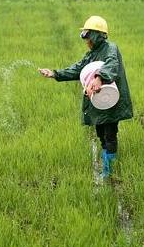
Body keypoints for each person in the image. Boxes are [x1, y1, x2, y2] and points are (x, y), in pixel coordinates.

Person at [39, 16, 133, 179]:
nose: (86, 39)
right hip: (98, 101)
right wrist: (55, 73)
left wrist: (99, 77)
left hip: (111, 99)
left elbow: (112, 64)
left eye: (88, 35)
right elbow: (78, 69)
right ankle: (107, 163)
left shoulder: (111, 48)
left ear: (98, 34)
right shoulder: (91, 54)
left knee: (110, 133)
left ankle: (109, 170)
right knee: (100, 133)